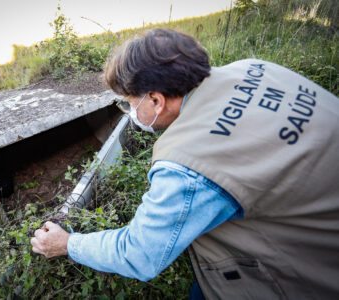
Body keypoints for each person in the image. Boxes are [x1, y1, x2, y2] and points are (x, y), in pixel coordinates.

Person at [30, 29, 339, 299]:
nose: (130, 111)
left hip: (304, 272)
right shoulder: (255, 69)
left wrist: (67, 243)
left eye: (130, 102)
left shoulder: (188, 163)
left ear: (156, 100)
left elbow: (139, 253)